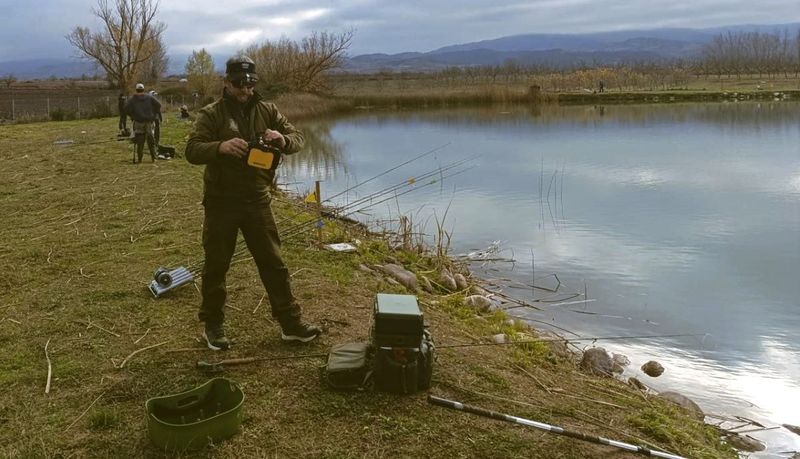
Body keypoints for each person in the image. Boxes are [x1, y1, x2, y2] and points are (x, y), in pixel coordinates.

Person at [185, 55, 321, 350]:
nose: (245, 89)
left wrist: (282, 140)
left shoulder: (268, 110)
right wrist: (220, 147)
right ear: (227, 83)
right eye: (238, 83)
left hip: (258, 200)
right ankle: (213, 325)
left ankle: (290, 324)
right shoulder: (212, 113)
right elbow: (192, 150)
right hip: (221, 202)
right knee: (216, 265)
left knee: (274, 264)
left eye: (250, 83)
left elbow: (297, 137)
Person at [124, 83, 161, 163]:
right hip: (148, 122)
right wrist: (153, 115)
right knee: (151, 140)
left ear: (136, 90)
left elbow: (126, 109)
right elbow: (158, 105)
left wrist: (133, 116)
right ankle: (153, 158)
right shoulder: (149, 97)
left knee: (140, 141)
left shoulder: (133, 99)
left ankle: (140, 159)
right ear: (143, 89)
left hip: (138, 122)